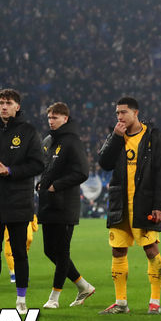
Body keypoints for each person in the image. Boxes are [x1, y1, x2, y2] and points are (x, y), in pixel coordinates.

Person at [0, 88, 44, 314]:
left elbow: (38, 164)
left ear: (17, 106)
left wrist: (10, 170)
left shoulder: (29, 132)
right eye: (1, 102)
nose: (4, 106)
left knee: (19, 253)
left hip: (18, 201)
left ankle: (21, 300)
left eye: (9, 103)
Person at [97, 97, 161, 315]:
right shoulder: (116, 136)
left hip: (145, 203)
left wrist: (159, 206)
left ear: (135, 113)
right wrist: (116, 138)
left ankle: (155, 301)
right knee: (118, 250)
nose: (119, 117)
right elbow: (104, 163)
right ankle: (121, 303)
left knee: (151, 249)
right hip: (120, 203)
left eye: (123, 112)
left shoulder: (153, 136)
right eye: (117, 113)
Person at [38, 102, 96, 309]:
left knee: (62, 252)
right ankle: (83, 286)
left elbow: (82, 172)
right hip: (47, 203)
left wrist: (57, 185)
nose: (51, 121)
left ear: (65, 118)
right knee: (49, 251)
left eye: (55, 117)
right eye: (49, 118)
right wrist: (41, 183)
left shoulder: (72, 141)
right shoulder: (48, 141)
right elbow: (47, 168)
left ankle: (54, 298)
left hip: (65, 205)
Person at [3, 216, 37, 283]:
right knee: (9, 241)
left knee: (28, 238)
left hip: (24, 213)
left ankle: (21, 267)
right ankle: (13, 271)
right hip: (7, 214)